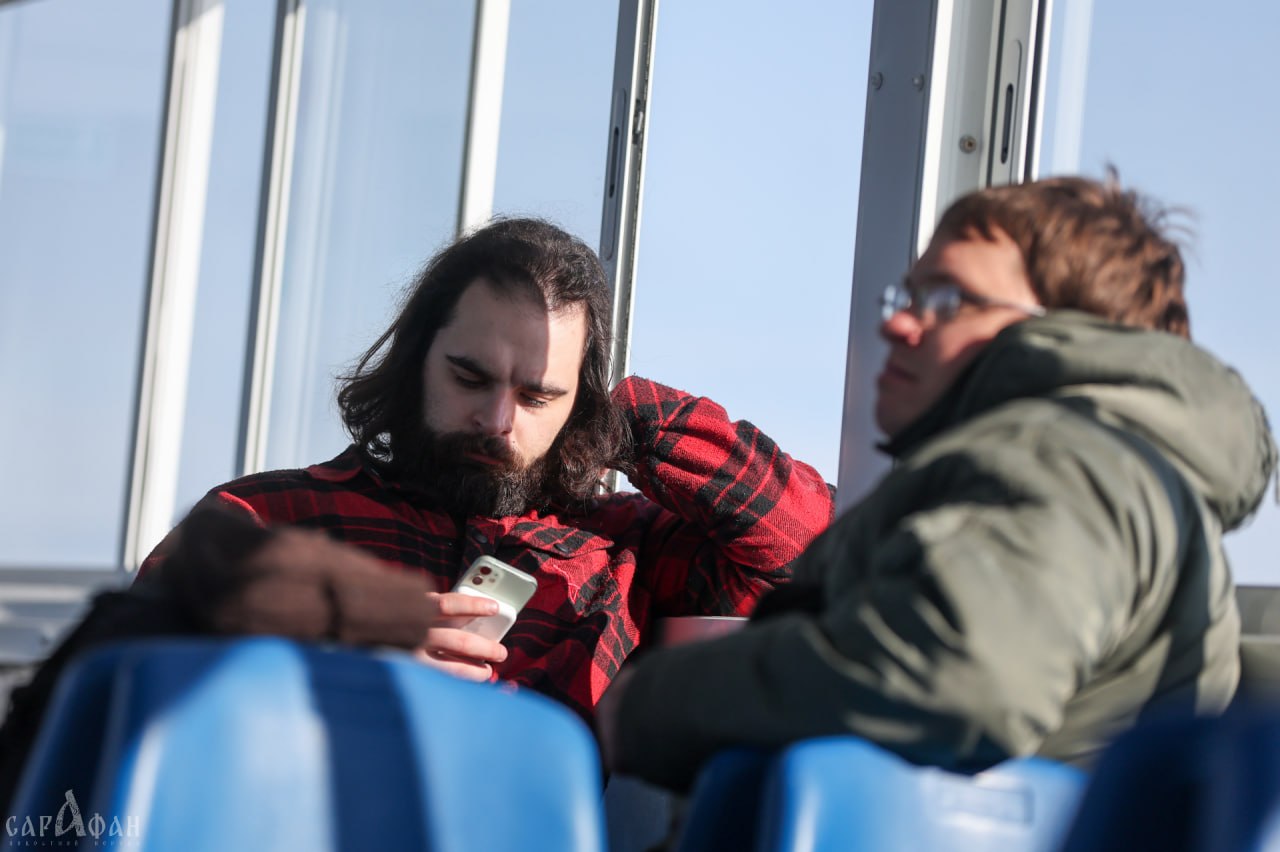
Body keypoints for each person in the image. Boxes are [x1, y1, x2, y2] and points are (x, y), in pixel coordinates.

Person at [597, 175, 1278, 791]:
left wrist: (652, 704)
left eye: (948, 299)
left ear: (1063, 334)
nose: (897, 321)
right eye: (910, 294)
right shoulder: (1118, 478)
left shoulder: (1066, 463)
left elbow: (961, 676)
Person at [130, 217, 833, 722]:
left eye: (538, 397)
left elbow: (813, 553)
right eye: (470, 378)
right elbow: (125, 683)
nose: (498, 420)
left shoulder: (625, 552)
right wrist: (334, 671)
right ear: (415, 358)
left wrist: (638, 421)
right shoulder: (266, 520)